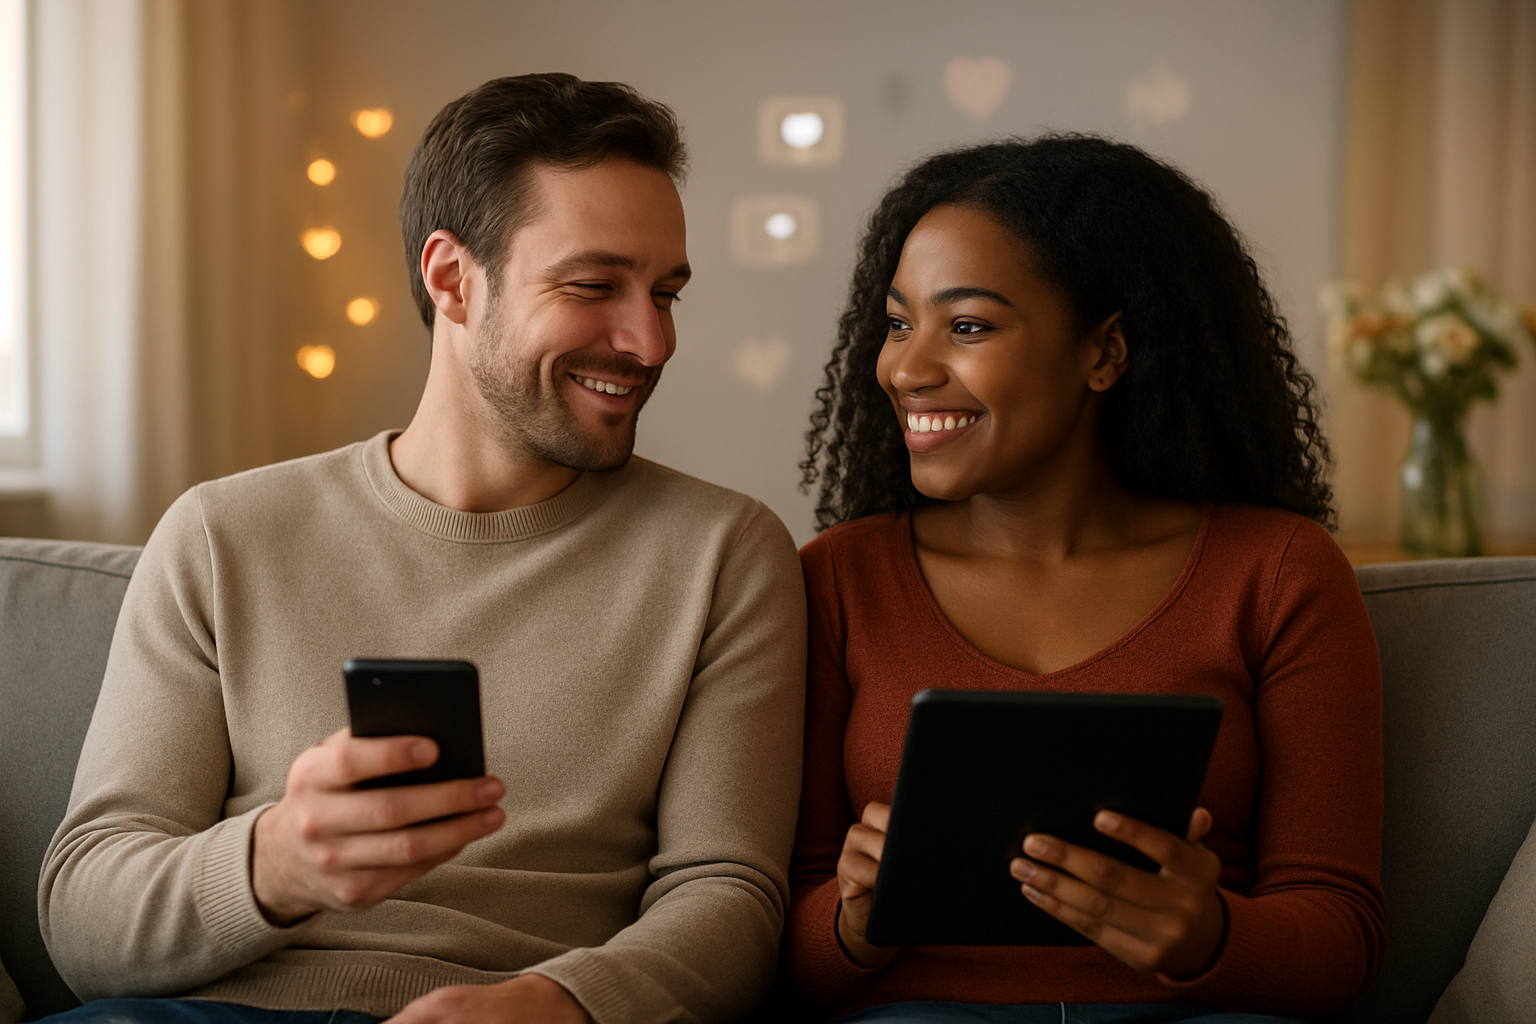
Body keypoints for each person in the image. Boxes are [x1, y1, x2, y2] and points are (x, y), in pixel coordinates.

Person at [38, 74, 806, 1024]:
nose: (650, 342)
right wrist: (276, 865)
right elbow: (83, 918)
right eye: (593, 286)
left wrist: (555, 1005)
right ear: (452, 279)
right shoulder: (221, 535)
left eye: (666, 294)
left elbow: (729, 899)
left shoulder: (724, 555)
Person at [786, 136, 1385, 1023]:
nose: (905, 368)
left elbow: (1343, 937)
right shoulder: (837, 580)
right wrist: (853, 920)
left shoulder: (1280, 573)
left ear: (1105, 352)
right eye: (899, 323)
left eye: (969, 326)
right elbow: (784, 953)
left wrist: (1210, 935)